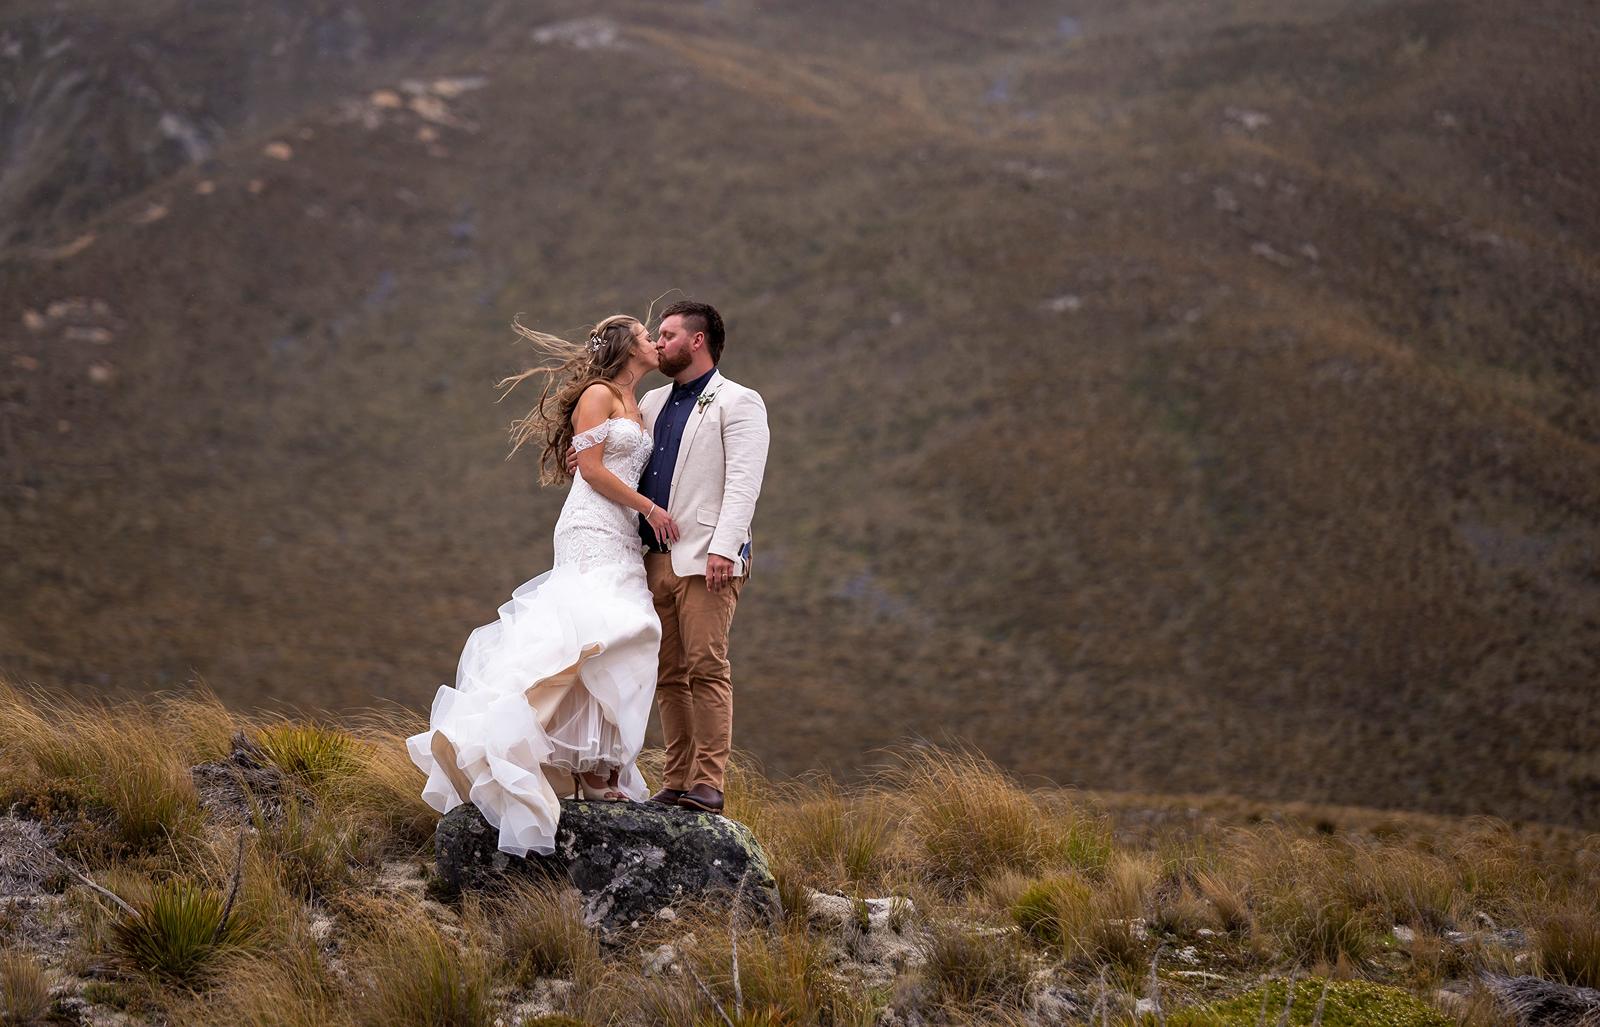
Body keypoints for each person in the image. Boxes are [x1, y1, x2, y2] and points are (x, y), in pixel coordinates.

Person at [406, 313, 678, 857]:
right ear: (628, 349)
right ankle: (579, 765)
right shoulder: (599, 395)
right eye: (648, 336)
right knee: (600, 630)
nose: (655, 341)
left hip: (622, 533)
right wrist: (652, 509)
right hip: (590, 525)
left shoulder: (641, 405)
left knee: (616, 636)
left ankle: (599, 767)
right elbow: (593, 470)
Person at [633, 301, 769, 815]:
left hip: (708, 558)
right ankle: (676, 780)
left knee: (706, 669)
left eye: (667, 335)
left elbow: (743, 485)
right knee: (668, 674)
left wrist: (724, 549)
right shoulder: (652, 401)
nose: (658, 342)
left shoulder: (739, 402)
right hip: (654, 558)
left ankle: (708, 784)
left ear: (697, 340)